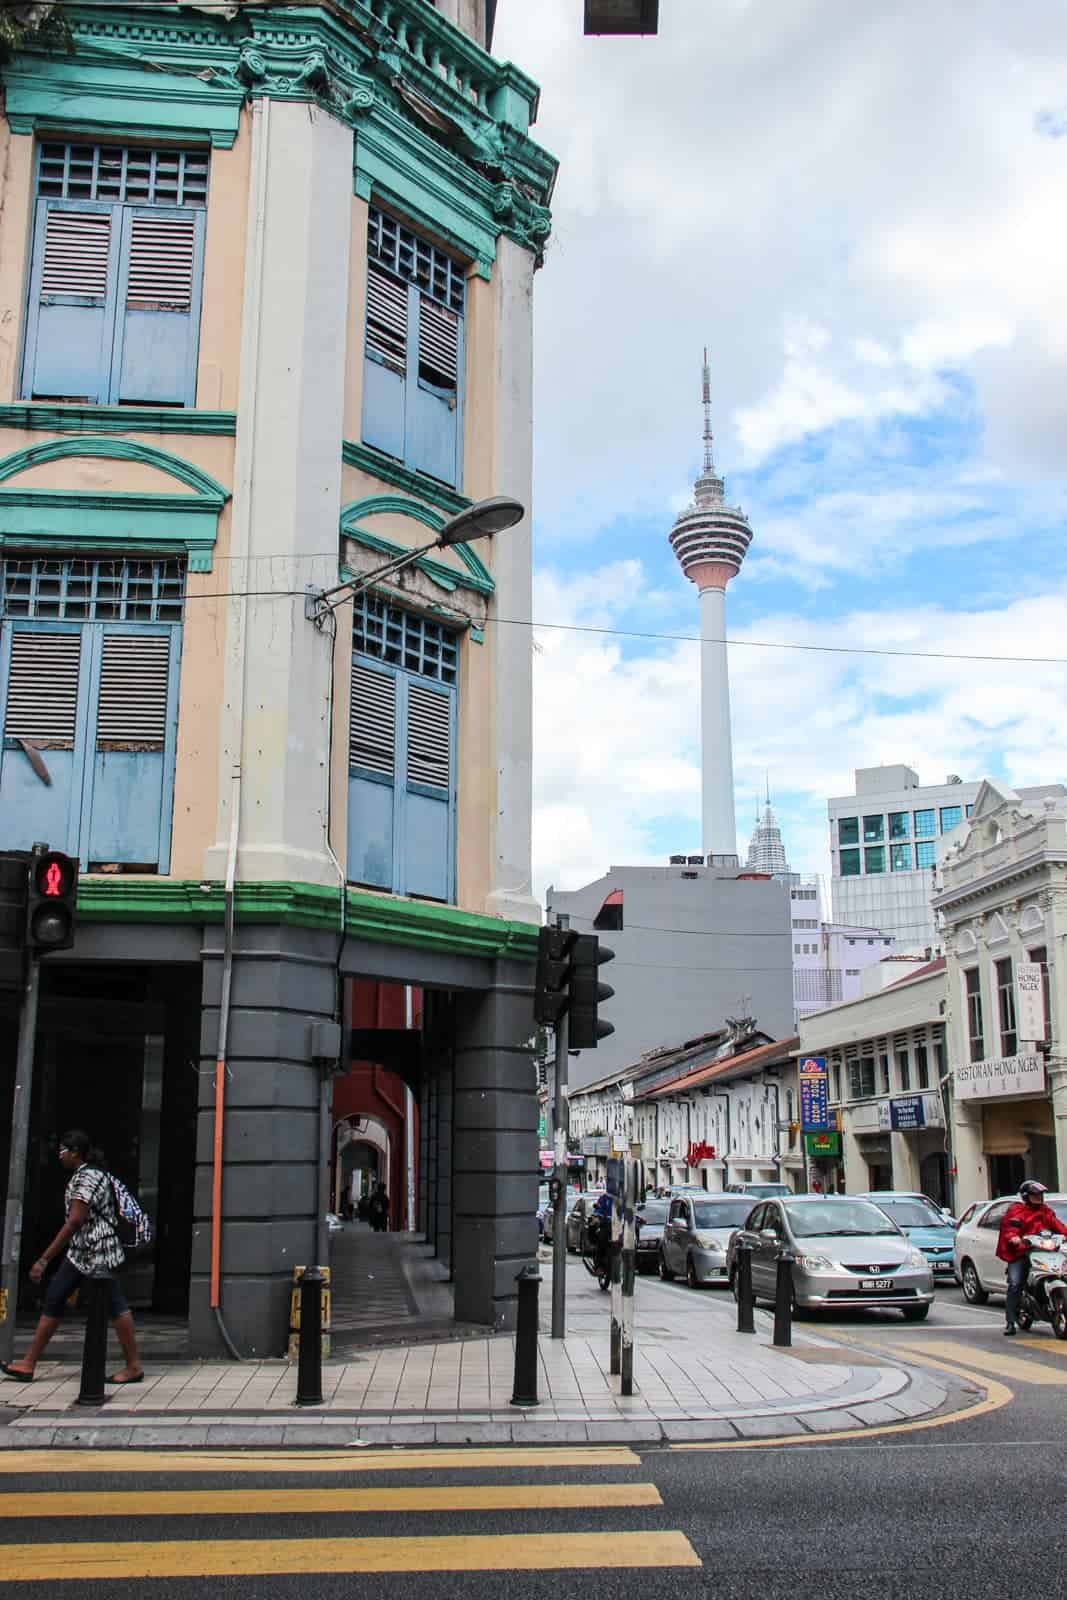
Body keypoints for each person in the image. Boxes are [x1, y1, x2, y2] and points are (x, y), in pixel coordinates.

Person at [1, 1129, 143, 1385]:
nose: (60, 1155)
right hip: (80, 1251)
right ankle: (29, 1363)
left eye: (63, 1150)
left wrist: (44, 1258)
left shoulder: (86, 1178)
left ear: (76, 1152)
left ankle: (133, 1366)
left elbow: (75, 1220)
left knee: (115, 1304)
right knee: (55, 1297)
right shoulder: (87, 1175)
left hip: (98, 1250)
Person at [996, 1179, 1067, 1336]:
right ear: (1026, 1197)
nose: (1038, 1198)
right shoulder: (1017, 1211)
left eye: (1040, 1195)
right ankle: (1010, 1322)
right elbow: (1010, 1229)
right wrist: (1014, 1238)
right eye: (1035, 1195)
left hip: (1044, 1251)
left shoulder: (1045, 1211)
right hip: (1022, 1252)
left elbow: (1058, 1226)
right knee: (1015, 1283)